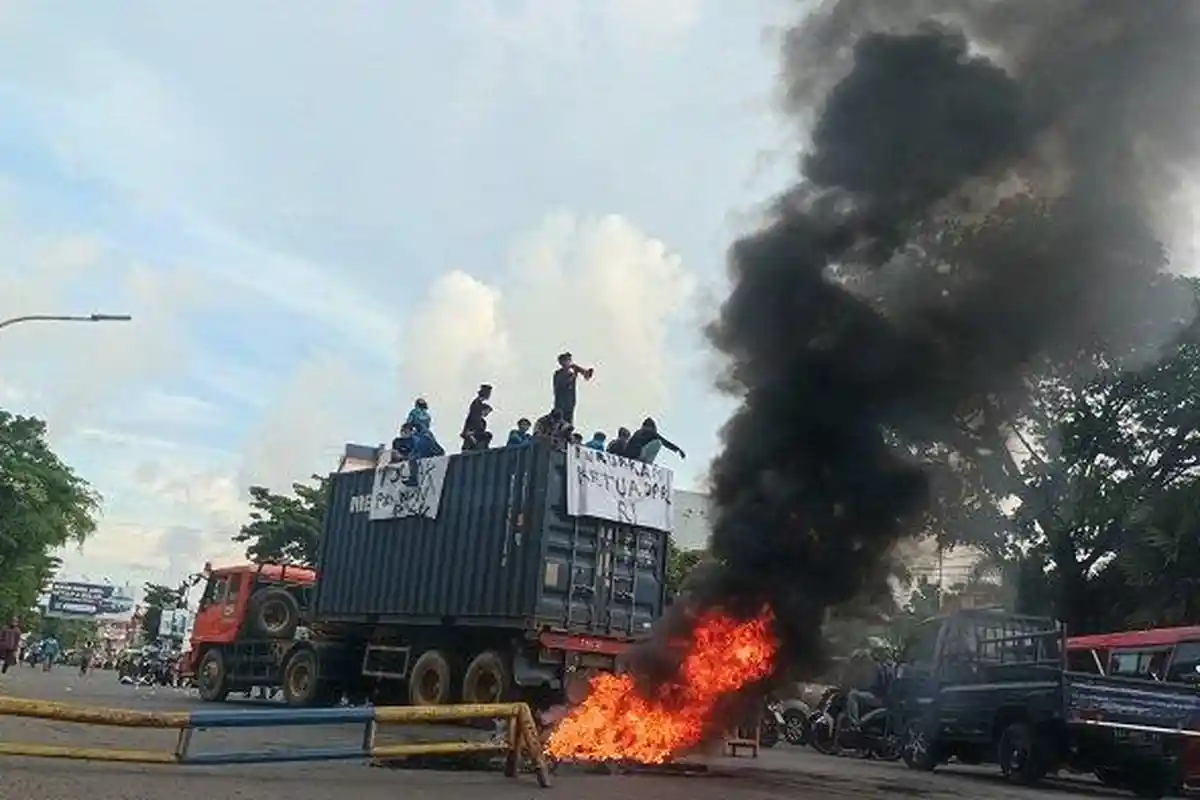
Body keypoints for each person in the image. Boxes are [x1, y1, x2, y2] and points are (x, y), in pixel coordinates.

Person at [552, 352, 594, 425]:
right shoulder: (558, 373)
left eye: (569, 360)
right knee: (560, 423)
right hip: (561, 403)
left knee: (569, 423)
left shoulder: (570, 373)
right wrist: (574, 375)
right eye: (566, 360)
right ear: (561, 362)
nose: (569, 362)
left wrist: (578, 373)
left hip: (570, 403)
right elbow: (562, 385)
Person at [461, 384, 493, 451]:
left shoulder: (483, 422)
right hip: (471, 436)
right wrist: (470, 434)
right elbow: (471, 421)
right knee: (488, 435)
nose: (486, 414)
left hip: (475, 436)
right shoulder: (476, 405)